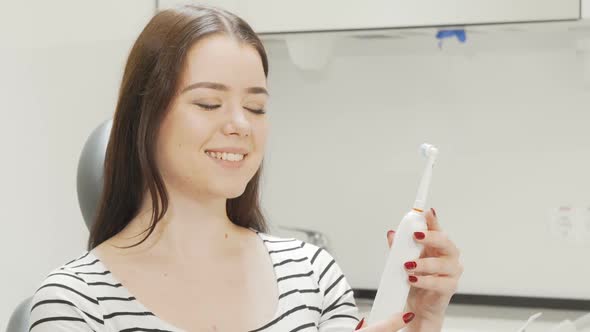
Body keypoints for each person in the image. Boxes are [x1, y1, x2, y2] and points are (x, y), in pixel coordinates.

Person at [29, 4, 462, 332]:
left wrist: (423, 322)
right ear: (145, 118)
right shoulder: (75, 302)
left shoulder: (313, 275)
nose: (239, 125)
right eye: (208, 103)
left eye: (256, 106)